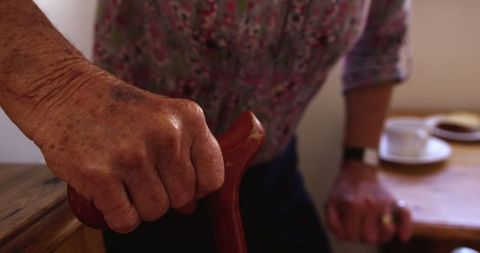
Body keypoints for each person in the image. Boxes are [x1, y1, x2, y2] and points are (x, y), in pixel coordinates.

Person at [0, 0, 413, 252]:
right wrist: (61, 90)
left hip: (272, 175)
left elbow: (381, 38)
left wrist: (361, 163)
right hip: (142, 188)